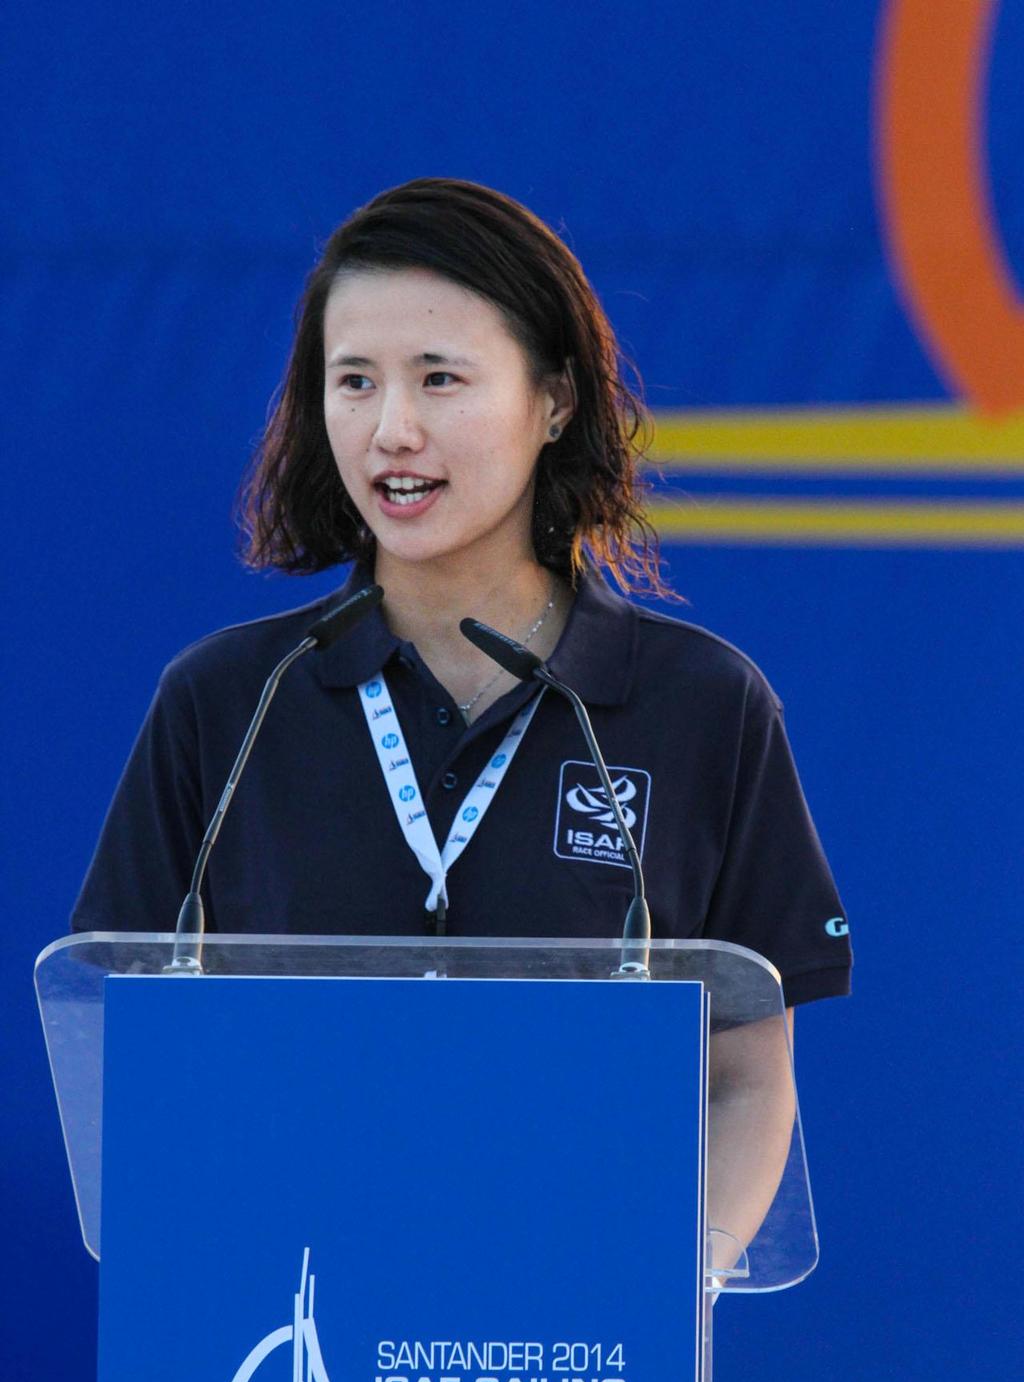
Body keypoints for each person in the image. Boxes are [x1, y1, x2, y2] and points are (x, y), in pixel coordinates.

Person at [72, 177, 851, 1262]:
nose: (391, 430)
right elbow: (122, 1036)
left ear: (555, 401)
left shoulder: (701, 707)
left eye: (439, 379)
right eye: (353, 381)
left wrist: (679, 1283)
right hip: (290, 1321)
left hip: (575, 1357)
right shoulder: (227, 700)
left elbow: (743, 1078)